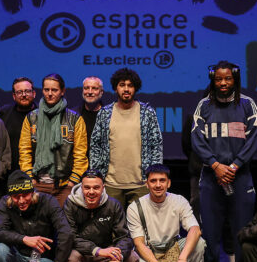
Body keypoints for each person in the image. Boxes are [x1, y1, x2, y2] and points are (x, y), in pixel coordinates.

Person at [191, 60, 257, 262]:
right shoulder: (204, 105)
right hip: (211, 178)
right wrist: (215, 165)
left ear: (235, 79)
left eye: (228, 78)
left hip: (240, 178)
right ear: (213, 79)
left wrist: (234, 166)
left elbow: (254, 138)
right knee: (211, 232)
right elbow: (197, 139)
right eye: (219, 79)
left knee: (242, 231)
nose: (223, 83)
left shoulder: (247, 104)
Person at [127, 164, 205, 262]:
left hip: (172, 247)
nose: (158, 185)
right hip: (149, 249)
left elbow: (195, 229)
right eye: (153, 181)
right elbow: (139, 244)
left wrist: (182, 259)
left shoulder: (179, 201)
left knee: (199, 243)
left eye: (162, 180)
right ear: (147, 184)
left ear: (168, 183)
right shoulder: (135, 207)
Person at [89, 68, 163, 206]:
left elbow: (156, 145)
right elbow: (95, 145)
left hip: (141, 184)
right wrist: (97, 175)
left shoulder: (147, 112)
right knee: (111, 220)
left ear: (135, 88)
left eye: (130, 85)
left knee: (141, 220)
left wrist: (153, 176)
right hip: (111, 184)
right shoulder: (105, 113)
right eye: (122, 85)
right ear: (115, 88)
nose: (126, 89)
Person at [63, 170, 138, 262]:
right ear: (81, 187)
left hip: (105, 253)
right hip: (80, 253)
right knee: (69, 259)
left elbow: (124, 237)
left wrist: (118, 258)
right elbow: (70, 237)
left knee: (132, 258)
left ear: (103, 187)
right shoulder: (70, 204)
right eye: (87, 187)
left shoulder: (113, 205)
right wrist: (96, 250)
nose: (91, 192)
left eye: (96, 187)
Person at [19, 73, 87, 205]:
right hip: (37, 183)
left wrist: (72, 182)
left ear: (62, 91)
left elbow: (80, 153)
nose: (50, 94)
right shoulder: (31, 118)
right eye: (46, 90)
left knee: (63, 218)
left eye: (54, 90)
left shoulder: (74, 119)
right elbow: (24, 151)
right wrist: (31, 179)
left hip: (64, 184)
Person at [0, 77, 36, 168]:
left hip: (37, 171)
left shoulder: (43, 115)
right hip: (10, 171)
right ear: (14, 96)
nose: (24, 95)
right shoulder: (4, 114)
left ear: (34, 94)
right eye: (19, 92)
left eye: (27, 91)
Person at [79, 76, 104, 154]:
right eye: (86, 88)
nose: (90, 92)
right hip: (79, 160)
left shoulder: (109, 115)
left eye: (94, 88)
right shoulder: (73, 115)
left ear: (101, 92)